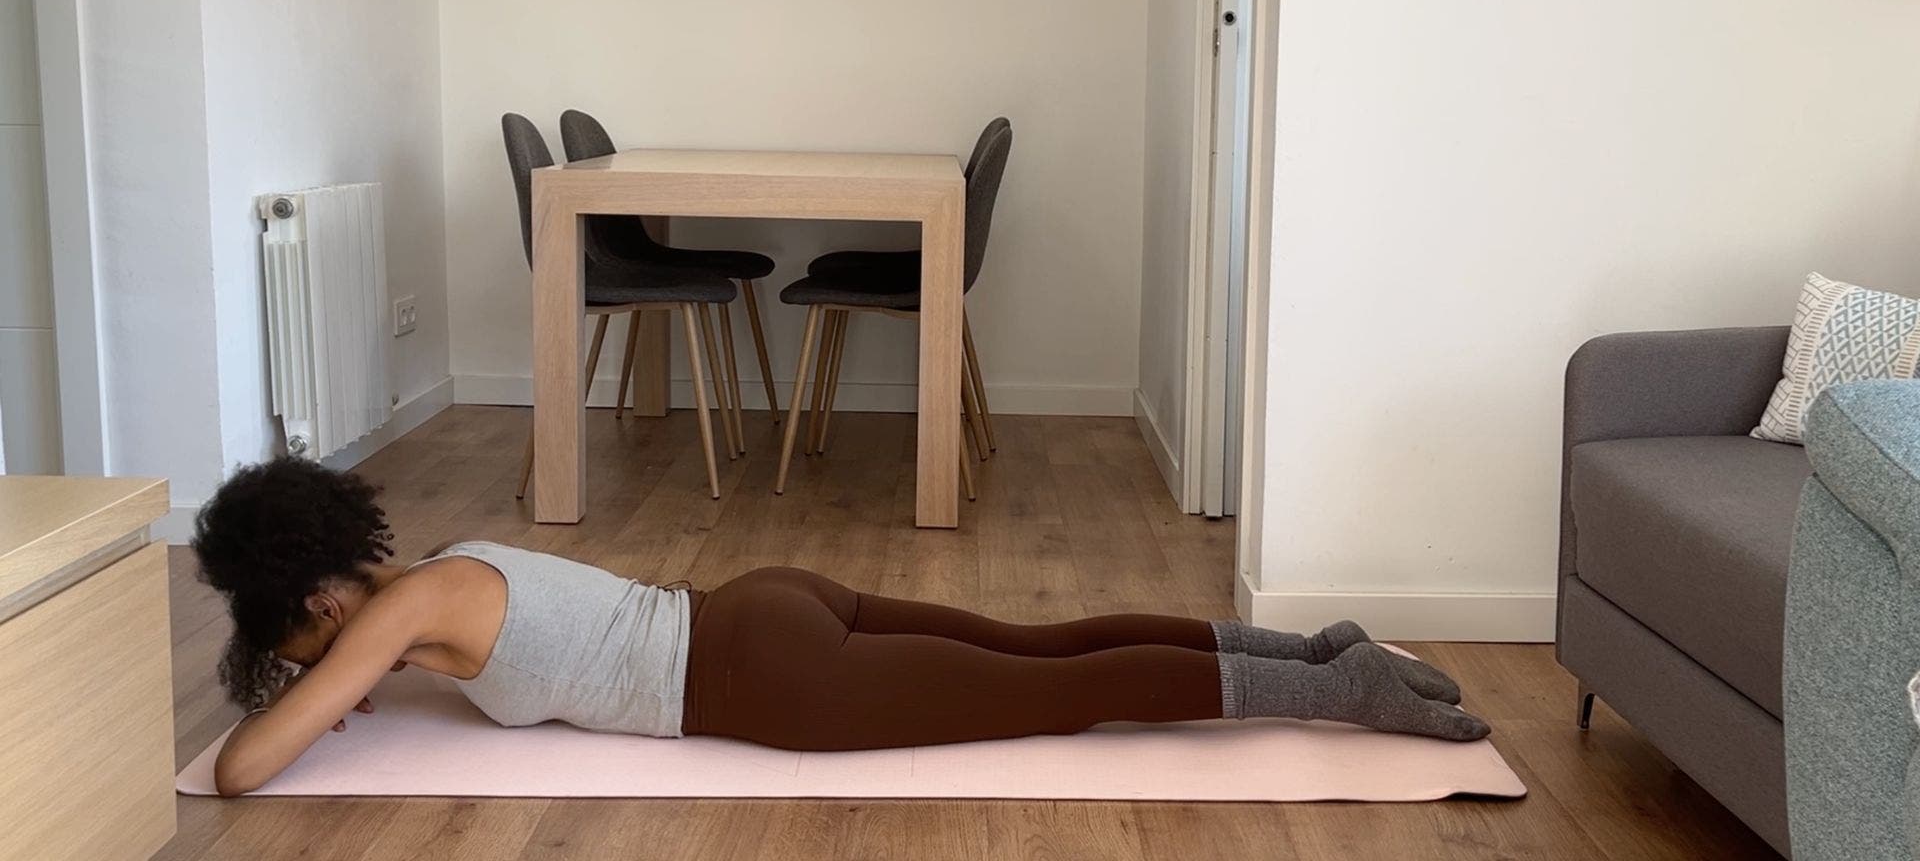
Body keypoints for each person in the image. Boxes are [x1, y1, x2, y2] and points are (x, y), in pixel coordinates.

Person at [193, 458, 1489, 797]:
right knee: (1041, 646)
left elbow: (247, 770)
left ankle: (1337, 694)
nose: (315, 670)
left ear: (316, 597)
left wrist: (312, 691)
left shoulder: (401, 613)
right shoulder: (440, 574)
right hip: (767, 604)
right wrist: (355, 674)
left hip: (771, 679)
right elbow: (424, 663)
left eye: (299, 641)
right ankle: (1314, 651)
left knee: (1055, 693)